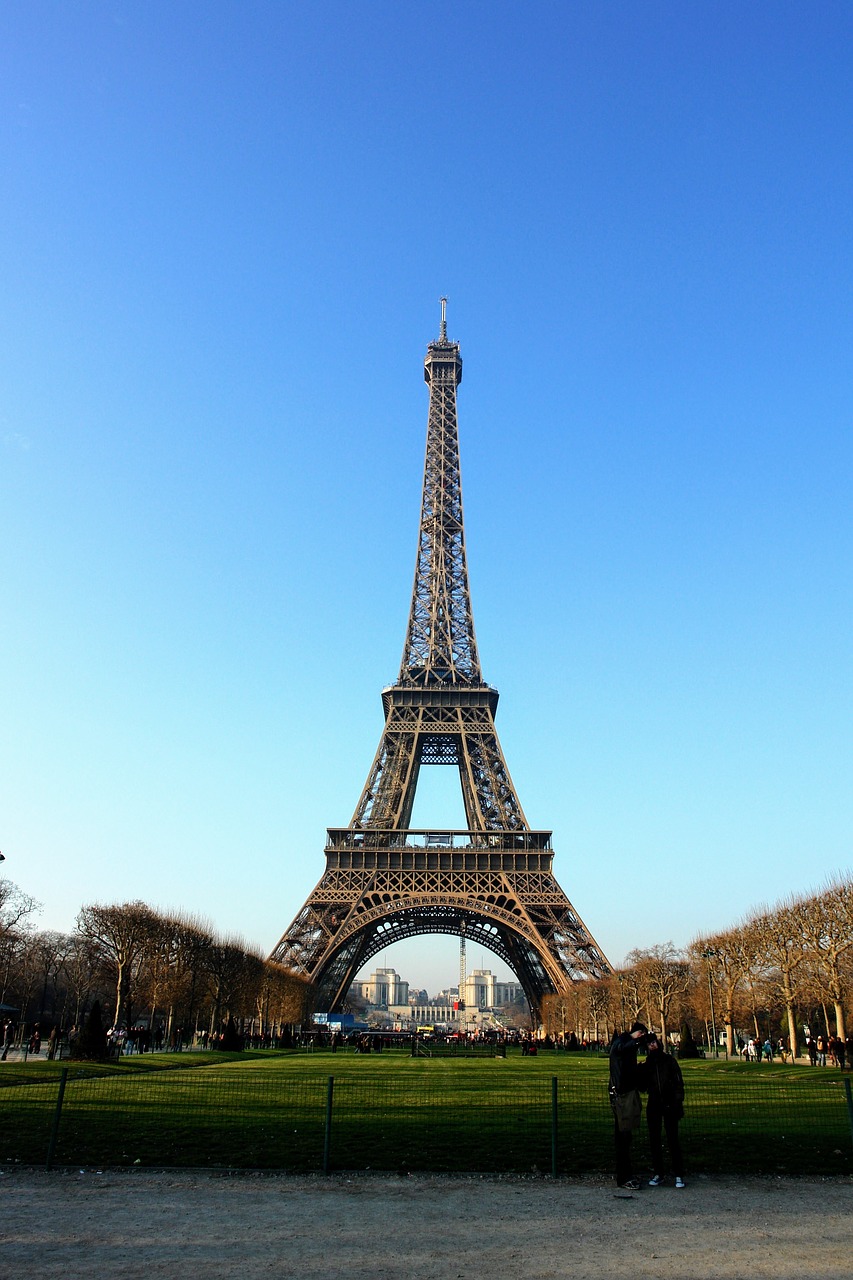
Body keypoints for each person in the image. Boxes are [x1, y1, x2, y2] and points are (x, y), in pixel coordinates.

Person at [638, 1034, 686, 1188]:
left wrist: (677, 1102)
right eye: (649, 1043)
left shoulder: (669, 1061)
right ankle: (659, 1173)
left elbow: (678, 1083)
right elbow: (643, 1086)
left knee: (673, 1139)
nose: (652, 1045)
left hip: (669, 1102)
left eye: (653, 1042)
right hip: (654, 1103)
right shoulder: (648, 1064)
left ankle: (678, 1174)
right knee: (655, 1140)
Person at [609, 1021, 648, 1190]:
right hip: (621, 1095)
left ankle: (626, 1173)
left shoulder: (625, 1044)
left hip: (625, 1092)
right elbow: (619, 1049)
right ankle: (624, 1177)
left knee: (625, 1135)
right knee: (623, 1136)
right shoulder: (621, 1043)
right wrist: (636, 1040)